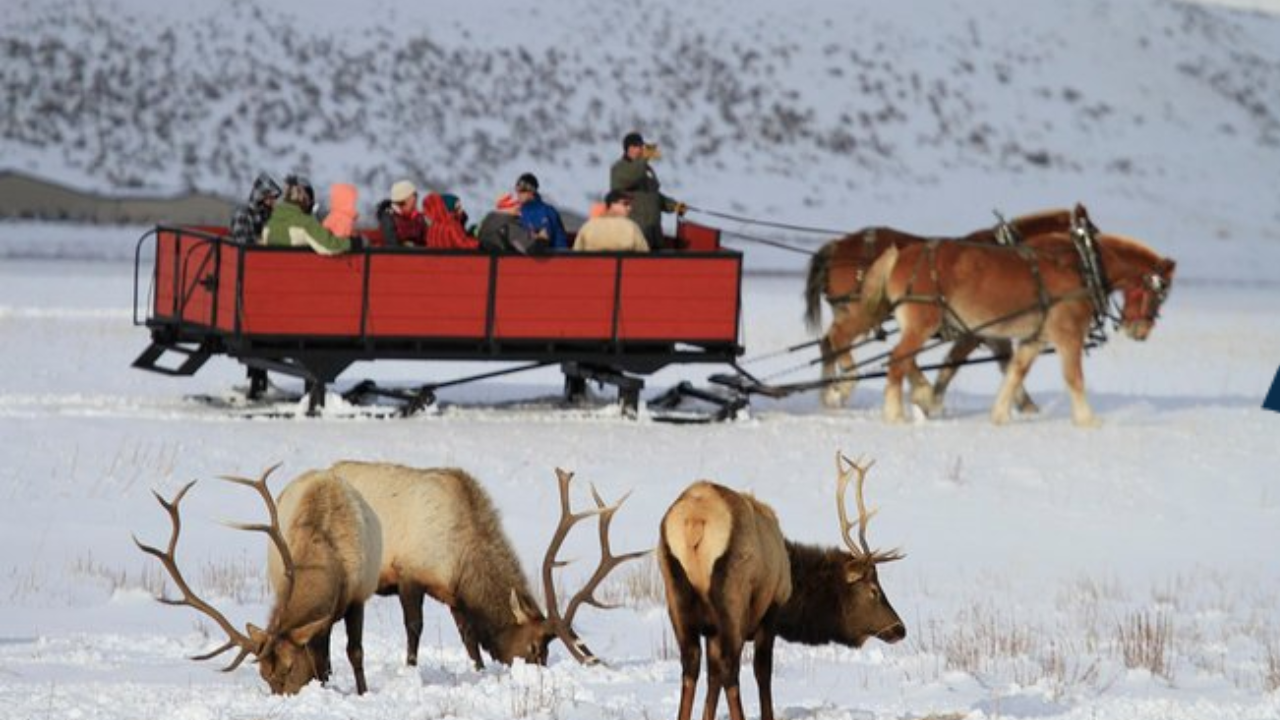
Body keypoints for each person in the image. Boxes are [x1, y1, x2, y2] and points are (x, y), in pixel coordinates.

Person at [609, 131, 686, 250]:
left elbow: (654, 196)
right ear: (627, 149)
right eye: (635, 146)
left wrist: (674, 206)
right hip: (633, 239)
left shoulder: (645, 169)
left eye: (640, 145)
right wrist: (644, 159)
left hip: (654, 236)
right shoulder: (619, 168)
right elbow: (631, 176)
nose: (639, 149)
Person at [262, 179, 360, 255]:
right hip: (302, 273)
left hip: (274, 273)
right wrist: (354, 243)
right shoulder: (306, 223)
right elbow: (329, 246)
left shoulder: (269, 225)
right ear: (303, 200)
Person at [572, 190, 649, 253]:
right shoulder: (631, 227)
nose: (629, 208)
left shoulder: (589, 226)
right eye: (625, 204)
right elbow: (644, 253)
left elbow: (576, 252)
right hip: (624, 270)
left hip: (592, 270)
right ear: (612, 205)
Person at [513, 173, 569, 250]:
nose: (518, 194)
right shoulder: (519, 211)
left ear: (531, 191)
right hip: (531, 256)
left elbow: (543, 240)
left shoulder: (546, 211)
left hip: (555, 257)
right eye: (517, 190)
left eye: (522, 190)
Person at [229, 172, 282, 244]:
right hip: (247, 254)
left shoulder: (266, 214)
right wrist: (260, 242)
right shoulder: (242, 214)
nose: (274, 202)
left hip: (266, 254)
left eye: (274, 198)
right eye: (270, 198)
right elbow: (241, 241)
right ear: (260, 197)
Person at [375, 180, 428, 247]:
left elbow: (426, 240)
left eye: (416, 195)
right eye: (413, 195)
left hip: (419, 255)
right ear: (404, 198)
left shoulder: (419, 217)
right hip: (396, 255)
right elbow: (392, 244)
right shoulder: (388, 217)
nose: (416, 199)